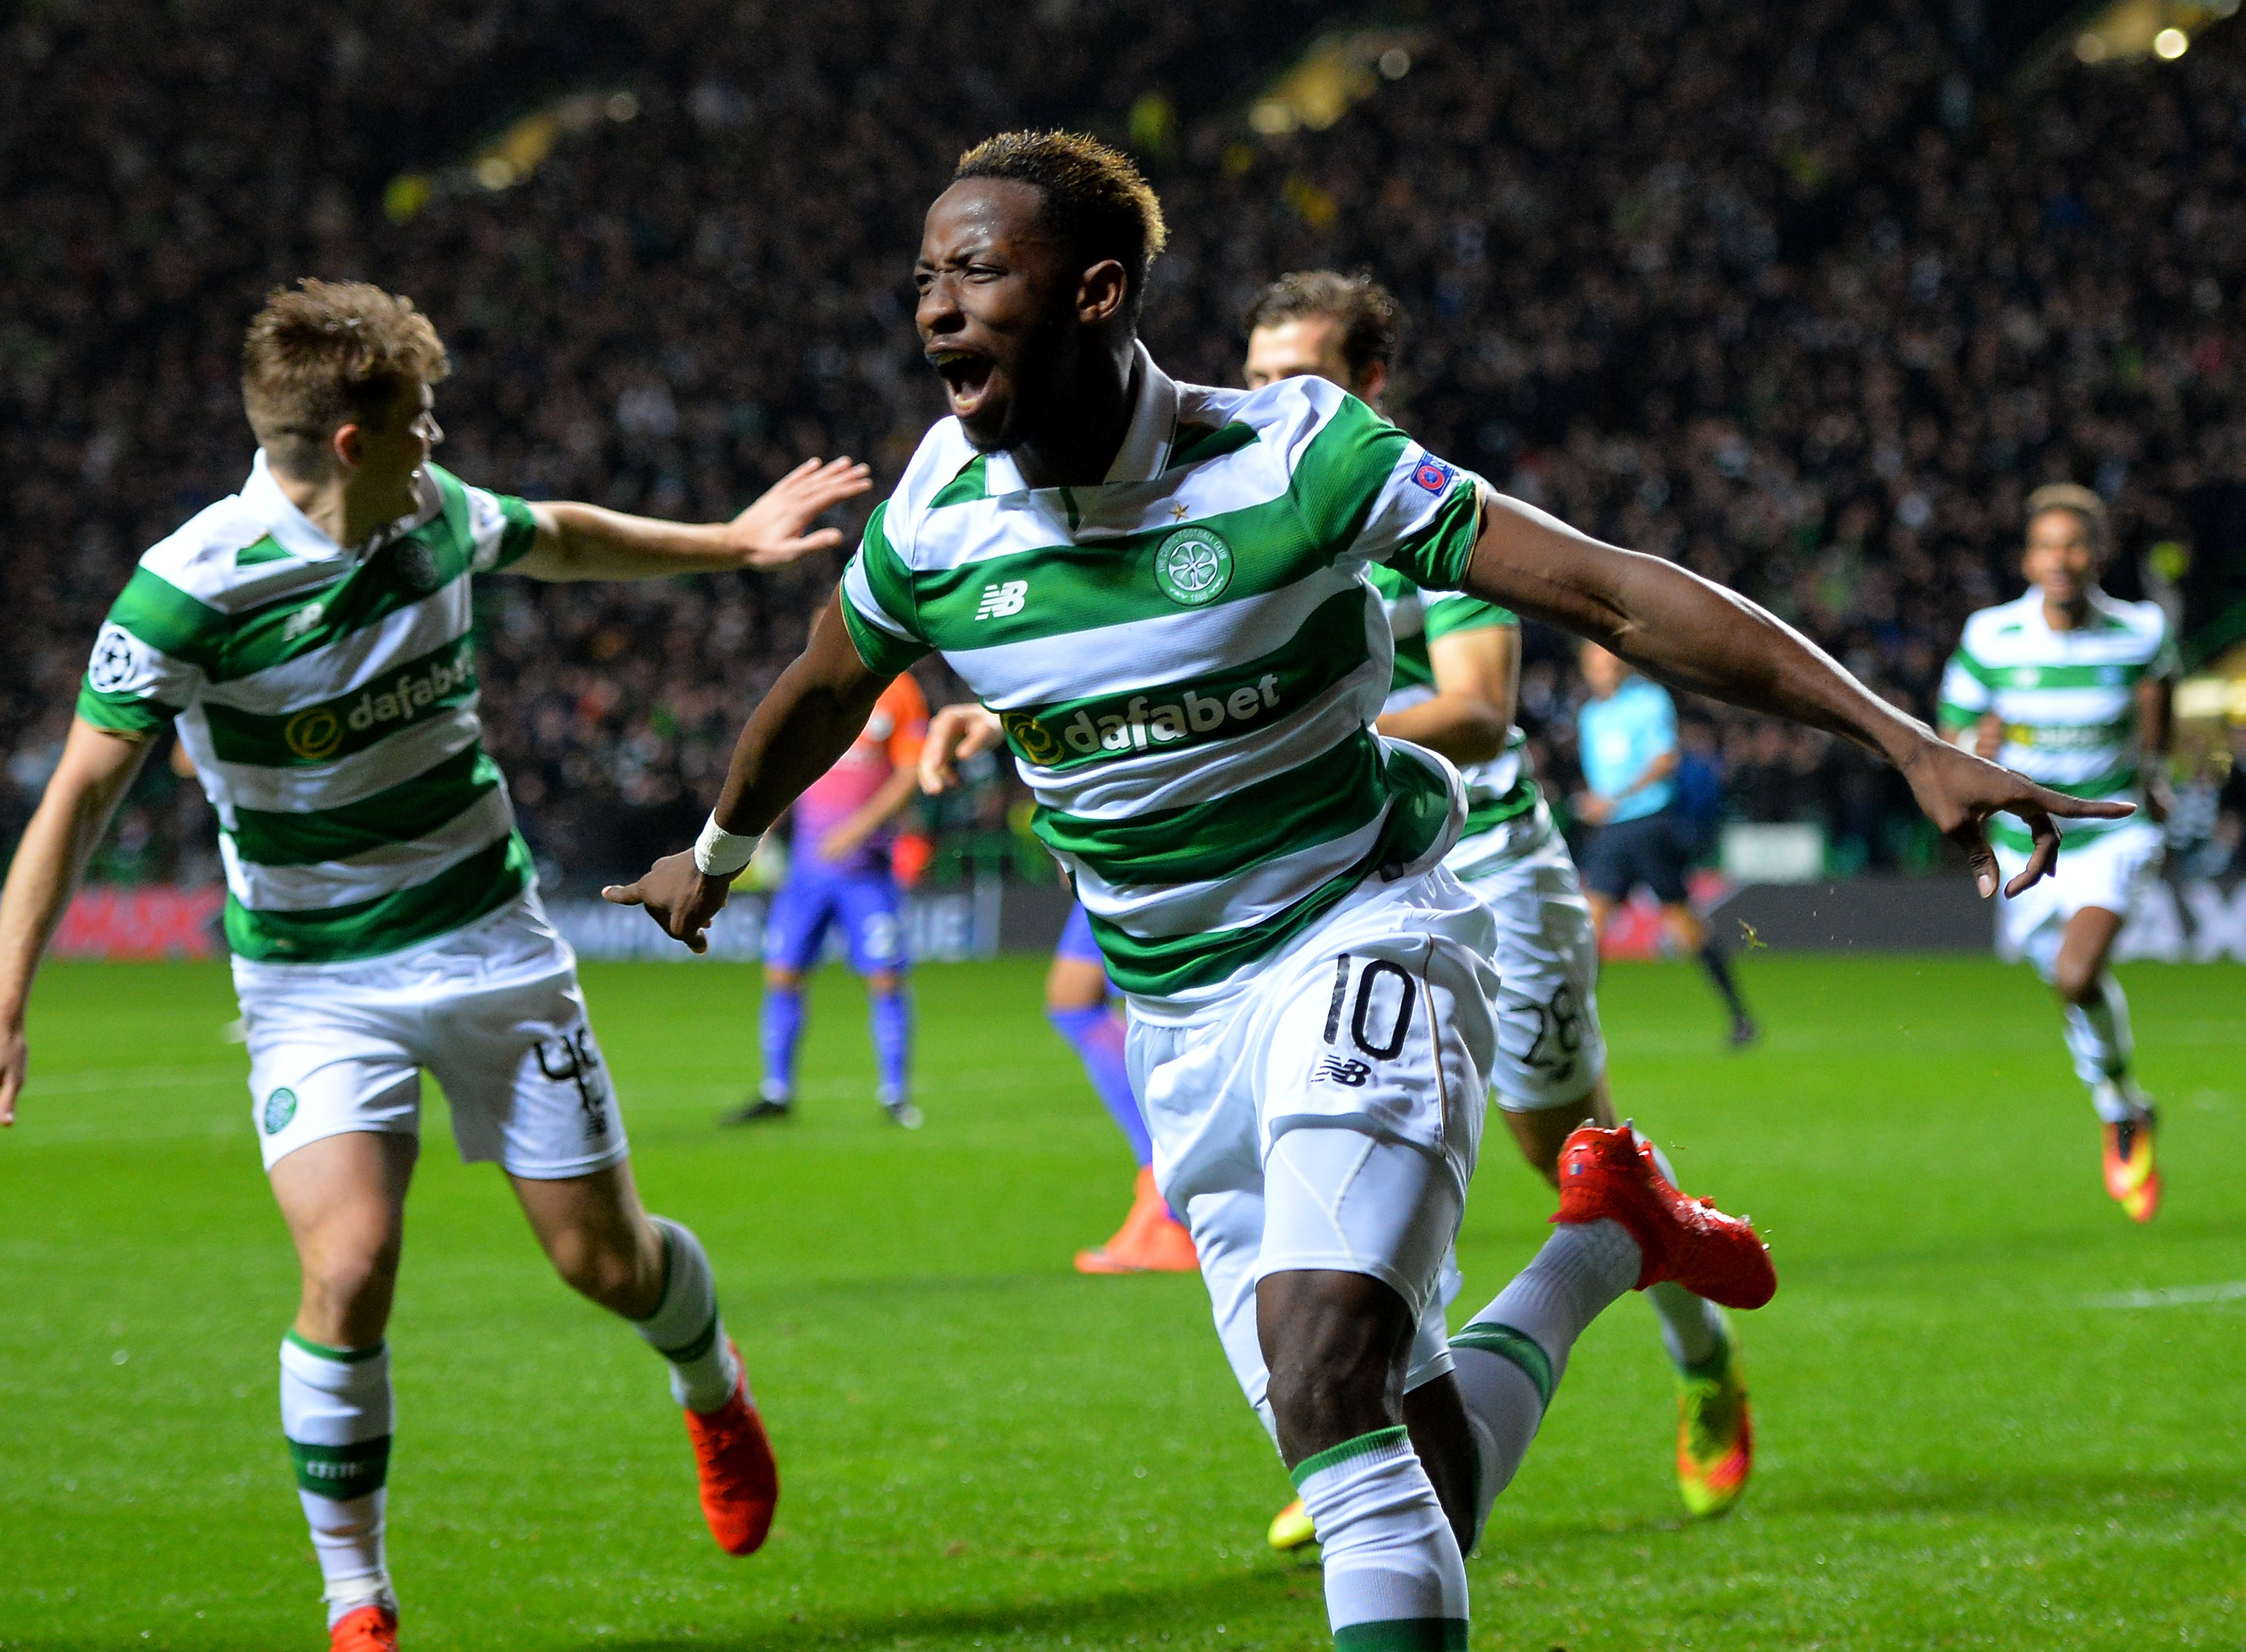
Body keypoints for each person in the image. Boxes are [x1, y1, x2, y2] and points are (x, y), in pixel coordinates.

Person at [604, 132, 2119, 1651]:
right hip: (1178, 1019)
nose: (935, 306)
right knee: (1406, 1485)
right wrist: (716, 852)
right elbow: (820, 683)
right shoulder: (938, 512)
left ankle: (1604, 1235)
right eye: (924, 275)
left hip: (1358, 927)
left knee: (1323, 1363)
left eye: (978, 269)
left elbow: (1602, 586)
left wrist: (1905, 743)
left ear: (1096, 292)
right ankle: (1605, 1239)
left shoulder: (1295, 457)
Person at [0, 280, 873, 1652]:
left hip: (487, 942)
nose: (441, 433)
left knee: (606, 1263)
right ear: (348, 442)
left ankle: (709, 1384)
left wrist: (731, 542)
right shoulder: (187, 592)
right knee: (348, 1269)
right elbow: (76, 802)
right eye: (419, 415)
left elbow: (564, 537)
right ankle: (359, 1601)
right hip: (312, 980)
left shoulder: (429, 512)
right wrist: (4, 1002)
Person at [1239, 270, 1754, 1536]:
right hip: (1341, 881)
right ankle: (1368, 1425)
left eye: (1296, 378)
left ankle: (1699, 1359)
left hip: (1488, 870)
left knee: (1559, 1152)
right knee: (1336, 1155)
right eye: (1251, 378)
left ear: (1365, 387)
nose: (1266, 403)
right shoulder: (1228, 518)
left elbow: (1473, 708)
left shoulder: (1421, 501)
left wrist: (1291, 732)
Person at [1938, 484, 2176, 1221]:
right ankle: (2123, 1103)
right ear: (2028, 559)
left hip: (2111, 833)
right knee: (2074, 986)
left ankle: (2119, 1106)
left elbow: (2156, 704)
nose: (2060, 560)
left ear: (2097, 554)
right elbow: (1950, 727)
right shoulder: (1991, 637)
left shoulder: (2139, 631)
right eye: (2047, 547)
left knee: (2077, 974)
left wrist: (2158, 776)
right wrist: (1969, 762)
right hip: (2020, 846)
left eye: (2074, 545)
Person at [921, 706, 1197, 1274]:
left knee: (1157, 1008)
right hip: (1109, 832)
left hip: (1145, 827)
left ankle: (1175, 1209)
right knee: (1073, 1003)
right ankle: (1165, 1189)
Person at [726, 671, 930, 1129]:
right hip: (807, 871)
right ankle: (776, 1091)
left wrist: (859, 826)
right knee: (781, 973)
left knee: (885, 979)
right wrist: (758, 830)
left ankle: (895, 1096)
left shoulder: (898, 692)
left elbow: (910, 772)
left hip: (866, 870)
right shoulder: (807, 685)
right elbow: (786, 770)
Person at [1575, 641, 1759, 1046]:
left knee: (1682, 926)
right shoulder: (1590, 715)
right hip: (1612, 832)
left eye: (1606, 661)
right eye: (1593, 662)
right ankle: (1574, 1026)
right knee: (1591, 927)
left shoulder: (1648, 701)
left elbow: (1664, 761)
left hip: (1649, 825)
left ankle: (1740, 1015)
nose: (1600, 669)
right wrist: (1596, 803)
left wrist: (1614, 798)